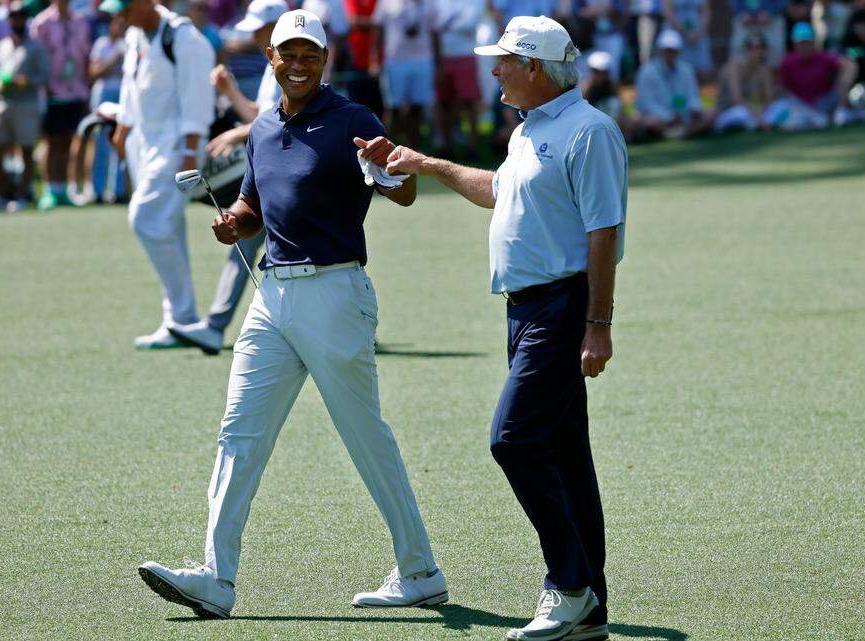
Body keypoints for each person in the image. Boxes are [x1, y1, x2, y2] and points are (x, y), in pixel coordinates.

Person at [137, 9, 448, 618]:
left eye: (310, 53)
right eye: (288, 53)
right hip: (271, 296)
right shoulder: (262, 127)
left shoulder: (352, 119)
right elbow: (253, 201)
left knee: (364, 438)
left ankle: (420, 571)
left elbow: (400, 189)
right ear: (271, 59)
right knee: (238, 433)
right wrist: (234, 223)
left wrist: (394, 166)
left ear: (325, 61)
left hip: (335, 293)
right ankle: (216, 578)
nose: (299, 62)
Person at [382, 15, 625, 641]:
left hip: (564, 308)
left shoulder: (590, 131)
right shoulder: (528, 130)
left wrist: (597, 324)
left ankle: (567, 584)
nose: (494, 71)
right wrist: (429, 165)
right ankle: (590, 607)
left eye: (504, 62)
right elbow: (499, 191)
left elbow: (603, 234)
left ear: (535, 67)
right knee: (566, 453)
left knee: (512, 440)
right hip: (523, 310)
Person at [170, 0, 287, 355]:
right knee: (246, 244)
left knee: (297, 250)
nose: (252, 33)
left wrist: (239, 134)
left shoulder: (292, 64)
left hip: (286, 172)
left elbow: (284, 118)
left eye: (259, 27)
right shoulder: (272, 64)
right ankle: (215, 326)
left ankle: (215, 326)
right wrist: (230, 90)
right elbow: (259, 113)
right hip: (272, 170)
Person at [104, 0, 213, 350]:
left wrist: (188, 153)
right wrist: (122, 128)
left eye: (124, 7)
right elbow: (130, 88)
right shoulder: (135, 35)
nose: (119, 15)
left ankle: (181, 317)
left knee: (145, 218)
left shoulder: (182, 37)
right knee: (167, 227)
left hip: (176, 146)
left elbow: (197, 99)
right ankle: (180, 319)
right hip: (144, 145)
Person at [0, 0, 46, 210]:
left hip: (26, 103)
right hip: (2, 103)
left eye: (19, 17)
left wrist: (25, 81)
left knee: (26, 150)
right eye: (13, 17)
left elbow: (44, 77)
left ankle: (22, 195)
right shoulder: (2, 46)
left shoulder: (35, 47)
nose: (16, 21)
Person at [30, 0, 92, 209]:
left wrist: (86, 87)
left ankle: (63, 187)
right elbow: (36, 56)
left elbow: (85, 56)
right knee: (51, 142)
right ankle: (50, 189)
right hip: (51, 91)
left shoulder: (81, 21)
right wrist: (45, 86)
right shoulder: (42, 22)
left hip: (76, 91)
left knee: (68, 142)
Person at [371, 0, 438, 149]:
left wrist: (438, 63)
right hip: (395, 61)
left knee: (418, 107)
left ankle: (413, 150)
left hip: (423, 60)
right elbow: (378, 31)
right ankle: (386, 151)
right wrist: (374, 60)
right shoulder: (386, 2)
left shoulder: (429, 3)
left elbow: (435, 32)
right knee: (393, 108)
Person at [765, 22, 858, 128]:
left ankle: (841, 111)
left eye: (807, 42)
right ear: (795, 44)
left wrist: (843, 84)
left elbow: (850, 65)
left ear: (813, 42)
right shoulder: (787, 62)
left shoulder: (824, 57)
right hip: (799, 104)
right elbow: (783, 88)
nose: (804, 47)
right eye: (801, 43)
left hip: (825, 102)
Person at [635, 28, 714, 138]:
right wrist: (669, 117)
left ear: (679, 51)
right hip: (661, 119)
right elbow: (648, 104)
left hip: (684, 117)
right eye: (667, 50)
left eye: (673, 50)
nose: (670, 54)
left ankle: (679, 133)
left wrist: (694, 110)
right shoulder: (647, 72)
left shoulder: (687, 70)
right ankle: (682, 133)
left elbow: (693, 96)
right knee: (650, 122)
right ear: (660, 51)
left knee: (710, 113)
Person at [433, 0, 485, 158]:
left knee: (469, 102)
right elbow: (434, 24)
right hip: (442, 57)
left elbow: (470, 24)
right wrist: (448, 24)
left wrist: (445, 25)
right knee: (444, 103)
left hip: (466, 55)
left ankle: (472, 145)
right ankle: (446, 145)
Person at [88, 11, 127, 203]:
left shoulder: (129, 44)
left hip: (122, 96)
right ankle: (97, 191)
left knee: (119, 143)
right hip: (103, 96)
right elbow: (95, 72)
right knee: (100, 144)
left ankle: (118, 191)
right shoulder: (102, 44)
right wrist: (114, 59)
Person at [714, 31, 775, 130]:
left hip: (751, 110)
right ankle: (755, 124)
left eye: (758, 47)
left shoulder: (764, 70)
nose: (754, 51)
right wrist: (757, 115)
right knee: (741, 113)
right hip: (728, 112)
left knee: (779, 107)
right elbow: (736, 99)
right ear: (745, 49)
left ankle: (756, 123)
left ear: (763, 50)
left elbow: (769, 98)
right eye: (750, 47)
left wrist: (761, 112)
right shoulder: (734, 67)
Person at [342, 0, 383, 115]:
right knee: (356, 110)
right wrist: (378, 23)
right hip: (357, 62)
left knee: (380, 111)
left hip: (380, 65)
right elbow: (354, 20)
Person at [664, 0, 712, 80]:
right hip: (676, 34)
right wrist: (683, 31)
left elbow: (706, 12)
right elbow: (667, 11)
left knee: (701, 71)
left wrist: (699, 32)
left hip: (698, 34)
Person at [729, 0, 787, 65]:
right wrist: (740, 13)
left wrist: (771, 12)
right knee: (738, 47)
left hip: (772, 20)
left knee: (776, 49)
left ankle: (773, 72)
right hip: (744, 20)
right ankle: (739, 73)